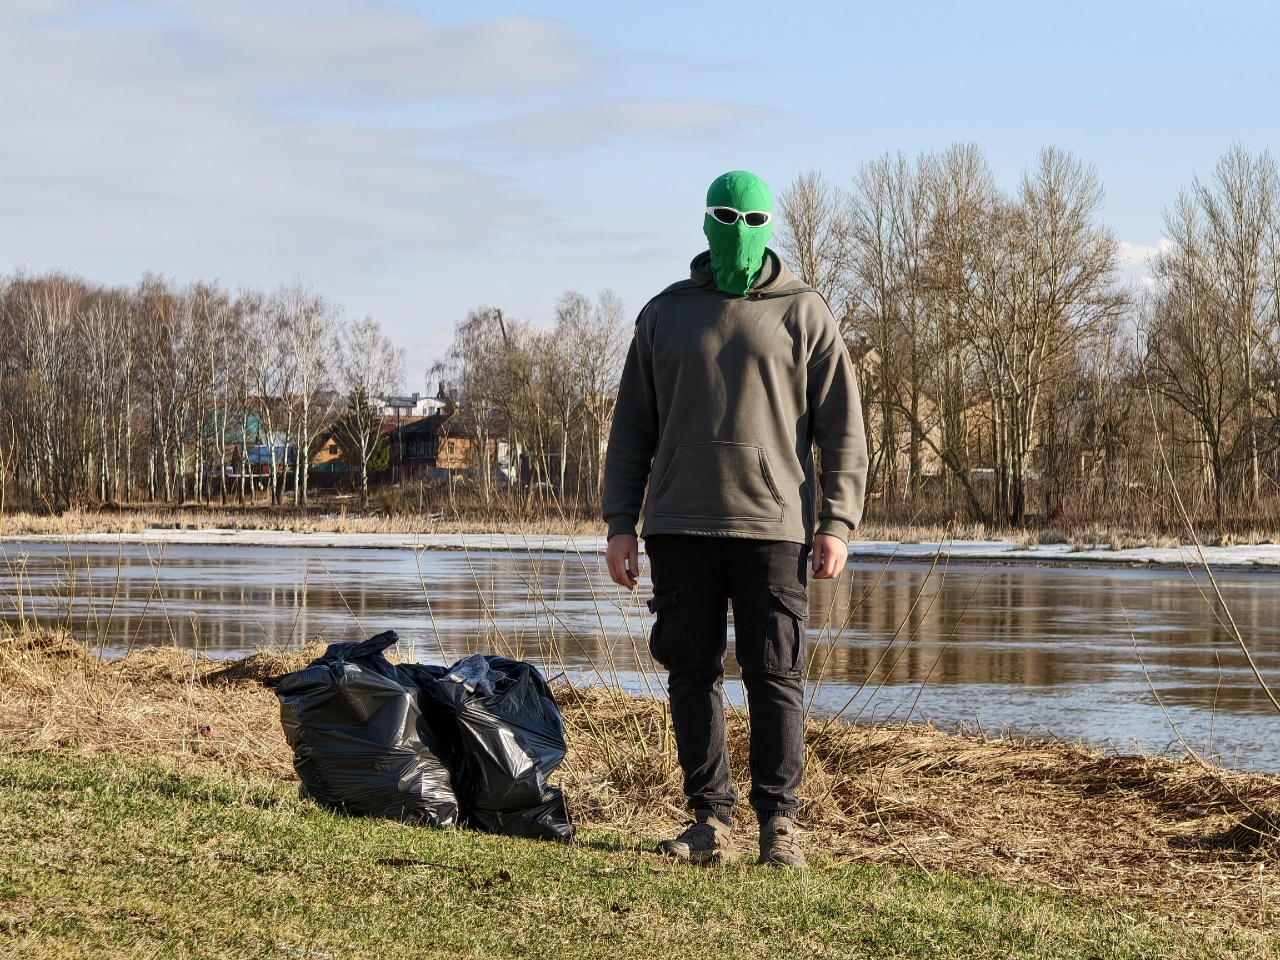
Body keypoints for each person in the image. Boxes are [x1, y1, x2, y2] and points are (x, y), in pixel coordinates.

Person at [601, 170, 869, 868]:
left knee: (775, 672)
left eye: (752, 219)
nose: (739, 231)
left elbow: (843, 427)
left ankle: (780, 827)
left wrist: (836, 522)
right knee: (691, 672)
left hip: (773, 528)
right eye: (725, 216)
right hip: (679, 524)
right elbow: (631, 430)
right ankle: (709, 823)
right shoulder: (665, 314)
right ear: (705, 221)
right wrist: (620, 524)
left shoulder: (803, 313)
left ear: (769, 225)